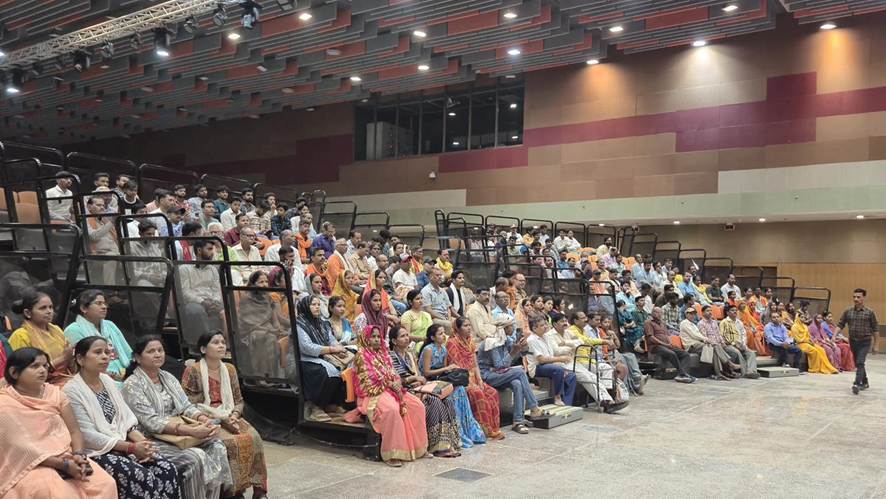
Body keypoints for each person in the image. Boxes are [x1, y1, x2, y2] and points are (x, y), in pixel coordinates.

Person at [64, 337, 181, 499]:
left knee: (166, 468)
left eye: (107, 352)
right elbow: (88, 436)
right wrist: (132, 448)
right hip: (98, 452)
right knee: (142, 476)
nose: (105, 357)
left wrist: (144, 444)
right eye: (98, 352)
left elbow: (126, 420)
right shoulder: (71, 391)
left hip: (123, 443)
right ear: (80, 359)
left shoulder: (107, 381)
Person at [122, 335, 232, 499]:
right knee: (196, 457)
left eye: (160, 350)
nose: (157, 354)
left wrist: (203, 420)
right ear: (138, 357)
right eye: (151, 351)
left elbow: (185, 406)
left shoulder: (168, 377)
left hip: (178, 435)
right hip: (152, 439)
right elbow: (151, 422)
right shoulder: (132, 385)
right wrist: (190, 431)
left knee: (217, 446)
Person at [0, 347, 118, 498]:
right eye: (34, 366)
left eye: (45, 366)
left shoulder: (55, 394)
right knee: (58, 493)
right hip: (29, 464)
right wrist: (63, 465)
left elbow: (74, 431)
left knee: (105, 484)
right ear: (14, 373)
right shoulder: (4, 404)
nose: (42, 370)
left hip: (66, 454)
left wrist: (79, 455)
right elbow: (20, 448)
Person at [181, 332, 269, 498]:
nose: (221, 345)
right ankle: (233, 492)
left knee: (254, 438)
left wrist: (235, 415)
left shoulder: (229, 369)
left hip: (230, 414)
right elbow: (186, 404)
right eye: (215, 342)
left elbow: (239, 400)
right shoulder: (193, 370)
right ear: (203, 349)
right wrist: (215, 418)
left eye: (223, 342)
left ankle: (260, 491)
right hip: (205, 418)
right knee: (230, 443)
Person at [354, 325, 428, 466]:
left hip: (392, 390)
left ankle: (419, 448)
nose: (377, 339)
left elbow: (394, 373)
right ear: (366, 338)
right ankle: (392, 454)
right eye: (373, 337)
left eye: (378, 336)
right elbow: (368, 379)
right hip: (373, 393)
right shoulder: (361, 356)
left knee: (417, 406)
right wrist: (390, 384)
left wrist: (396, 383)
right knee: (392, 410)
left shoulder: (384, 353)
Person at [388, 325, 461, 457]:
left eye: (407, 335)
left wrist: (419, 381)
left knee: (447, 400)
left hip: (418, 387)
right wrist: (413, 379)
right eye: (402, 336)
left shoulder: (409, 354)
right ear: (394, 341)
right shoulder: (391, 356)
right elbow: (396, 379)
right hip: (403, 391)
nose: (407, 338)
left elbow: (419, 375)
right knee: (434, 401)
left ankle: (449, 442)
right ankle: (436, 446)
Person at [419, 324, 486, 448]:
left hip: (439, 380)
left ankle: (465, 430)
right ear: (432, 337)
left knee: (460, 389)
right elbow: (426, 372)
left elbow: (444, 371)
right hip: (428, 381)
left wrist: (450, 370)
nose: (443, 336)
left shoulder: (443, 349)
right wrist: (446, 368)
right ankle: (455, 433)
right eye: (440, 334)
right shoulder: (428, 349)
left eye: (444, 333)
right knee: (453, 395)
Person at [545, 312, 627, 413]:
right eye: (562, 321)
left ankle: (608, 401)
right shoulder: (549, 335)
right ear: (554, 324)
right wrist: (572, 347)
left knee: (593, 377)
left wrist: (566, 343)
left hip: (572, 361)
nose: (565, 323)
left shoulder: (567, 332)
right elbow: (556, 351)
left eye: (566, 321)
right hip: (560, 363)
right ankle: (605, 402)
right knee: (587, 377)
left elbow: (581, 342)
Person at [476, 312, 543, 434]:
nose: (513, 328)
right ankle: (533, 407)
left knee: (517, 383)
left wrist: (522, 348)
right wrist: (514, 351)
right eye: (511, 325)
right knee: (520, 372)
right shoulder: (492, 341)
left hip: (499, 374)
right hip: (487, 375)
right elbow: (500, 365)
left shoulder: (505, 339)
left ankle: (517, 421)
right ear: (505, 328)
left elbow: (515, 357)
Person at [446, 318, 505, 440]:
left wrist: (479, 380)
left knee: (492, 392)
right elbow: (456, 366)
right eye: (465, 326)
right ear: (457, 328)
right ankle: (484, 430)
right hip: (462, 379)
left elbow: (475, 364)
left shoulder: (470, 342)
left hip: (474, 377)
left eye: (469, 325)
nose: (469, 328)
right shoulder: (452, 343)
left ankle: (494, 428)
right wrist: (470, 381)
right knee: (478, 394)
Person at [291, 295, 347, 422]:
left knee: (343, 368)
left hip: (322, 356)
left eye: (318, 304)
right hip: (305, 359)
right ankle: (314, 407)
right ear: (305, 307)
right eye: (313, 305)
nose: (317, 307)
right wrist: (331, 350)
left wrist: (339, 349)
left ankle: (330, 404)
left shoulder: (321, 323)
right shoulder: (300, 324)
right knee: (324, 372)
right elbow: (307, 347)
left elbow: (331, 339)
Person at [63, 290, 132, 383]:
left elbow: (128, 352)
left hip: (124, 372)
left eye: (104, 303)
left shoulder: (110, 325)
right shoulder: (73, 330)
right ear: (84, 308)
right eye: (98, 303)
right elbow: (79, 364)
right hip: (97, 377)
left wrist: (130, 372)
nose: (104, 307)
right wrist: (111, 376)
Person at [9, 290, 74, 385]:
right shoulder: (21, 335)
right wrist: (63, 359)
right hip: (38, 385)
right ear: (27, 313)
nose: (49, 311)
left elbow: (68, 355)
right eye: (43, 308)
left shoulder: (56, 330)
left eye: (51, 307)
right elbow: (24, 373)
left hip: (66, 378)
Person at [238, 270, 287, 379]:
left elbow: (275, 319)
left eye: (266, 282)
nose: (265, 285)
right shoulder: (246, 299)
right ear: (253, 284)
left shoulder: (268, 297)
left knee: (276, 337)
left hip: (267, 329)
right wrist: (270, 330)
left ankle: (272, 377)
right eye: (261, 282)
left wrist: (277, 328)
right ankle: (260, 377)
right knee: (263, 337)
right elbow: (248, 322)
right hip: (250, 331)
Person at [177, 240, 225, 350]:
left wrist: (215, 302)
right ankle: (206, 346)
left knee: (230, 308)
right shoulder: (184, 268)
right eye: (209, 249)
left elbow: (217, 290)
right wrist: (202, 302)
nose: (212, 252)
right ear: (199, 250)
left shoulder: (213, 269)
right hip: (193, 302)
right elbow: (184, 292)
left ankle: (228, 346)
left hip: (212, 301)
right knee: (196, 310)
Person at [525, 316, 578, 405]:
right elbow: (541, 360)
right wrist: (561, 359)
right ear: (534, 328)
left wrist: (560, 361)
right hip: (537, 367)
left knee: (571, 375)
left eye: (545, 324)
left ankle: (567, 403)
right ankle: (557, 397)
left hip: (550, 365)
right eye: (542, 325)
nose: (546, 326)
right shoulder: (531, 340)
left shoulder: (546, 336)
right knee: (558, 370)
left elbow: (552, 354)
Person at [839, 288, 878, 394]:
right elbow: (840, 324)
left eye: (858, 297)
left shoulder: (870, 312)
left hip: (865, 341)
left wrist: (876, 345)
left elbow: (875, 329)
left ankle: (857, 383)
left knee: (860, 362)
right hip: (853, 341)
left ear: (863, 298)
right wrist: (833, 335)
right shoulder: (848, 311)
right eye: (854, 297)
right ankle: (865, 381)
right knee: (858, 363)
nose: (855, 299)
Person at [683, 307, 739, 380]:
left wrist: (720, 342)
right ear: (686, 314)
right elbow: (695, 335)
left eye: (694, 314)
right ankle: (729, 364)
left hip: (699, 344)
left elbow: (718, 334)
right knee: (714, 346)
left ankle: (719, 373)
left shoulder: (693, 324)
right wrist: (707, 340)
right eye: (690, 313)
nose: (692, 315)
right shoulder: (684, 323)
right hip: (691, 345)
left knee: (715, 350)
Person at [645, 307, 695, 383]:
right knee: (671, 353)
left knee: (685, 354)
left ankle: (682, 375)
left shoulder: (663, 323)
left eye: (660, 312)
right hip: (655, 346)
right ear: (652, 313)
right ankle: (682, 374)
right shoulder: (648, 322)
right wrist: (664, 344)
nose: (658, 314)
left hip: (666, 345)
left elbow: (667, 335)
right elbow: (651, 337)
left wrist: (669, 343)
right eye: (656, 312)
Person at [422, 267, 456, 331]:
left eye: (441, 275)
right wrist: (444, 318)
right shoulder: (426, 291)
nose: (440, 277)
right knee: (448, 324)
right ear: (430, 277)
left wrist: (449, 318)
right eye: (437, 275)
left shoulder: (442, 290)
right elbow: (428, 310)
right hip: (434, 318)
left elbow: (448, 307)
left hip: (445, 317)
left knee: (462, 322)